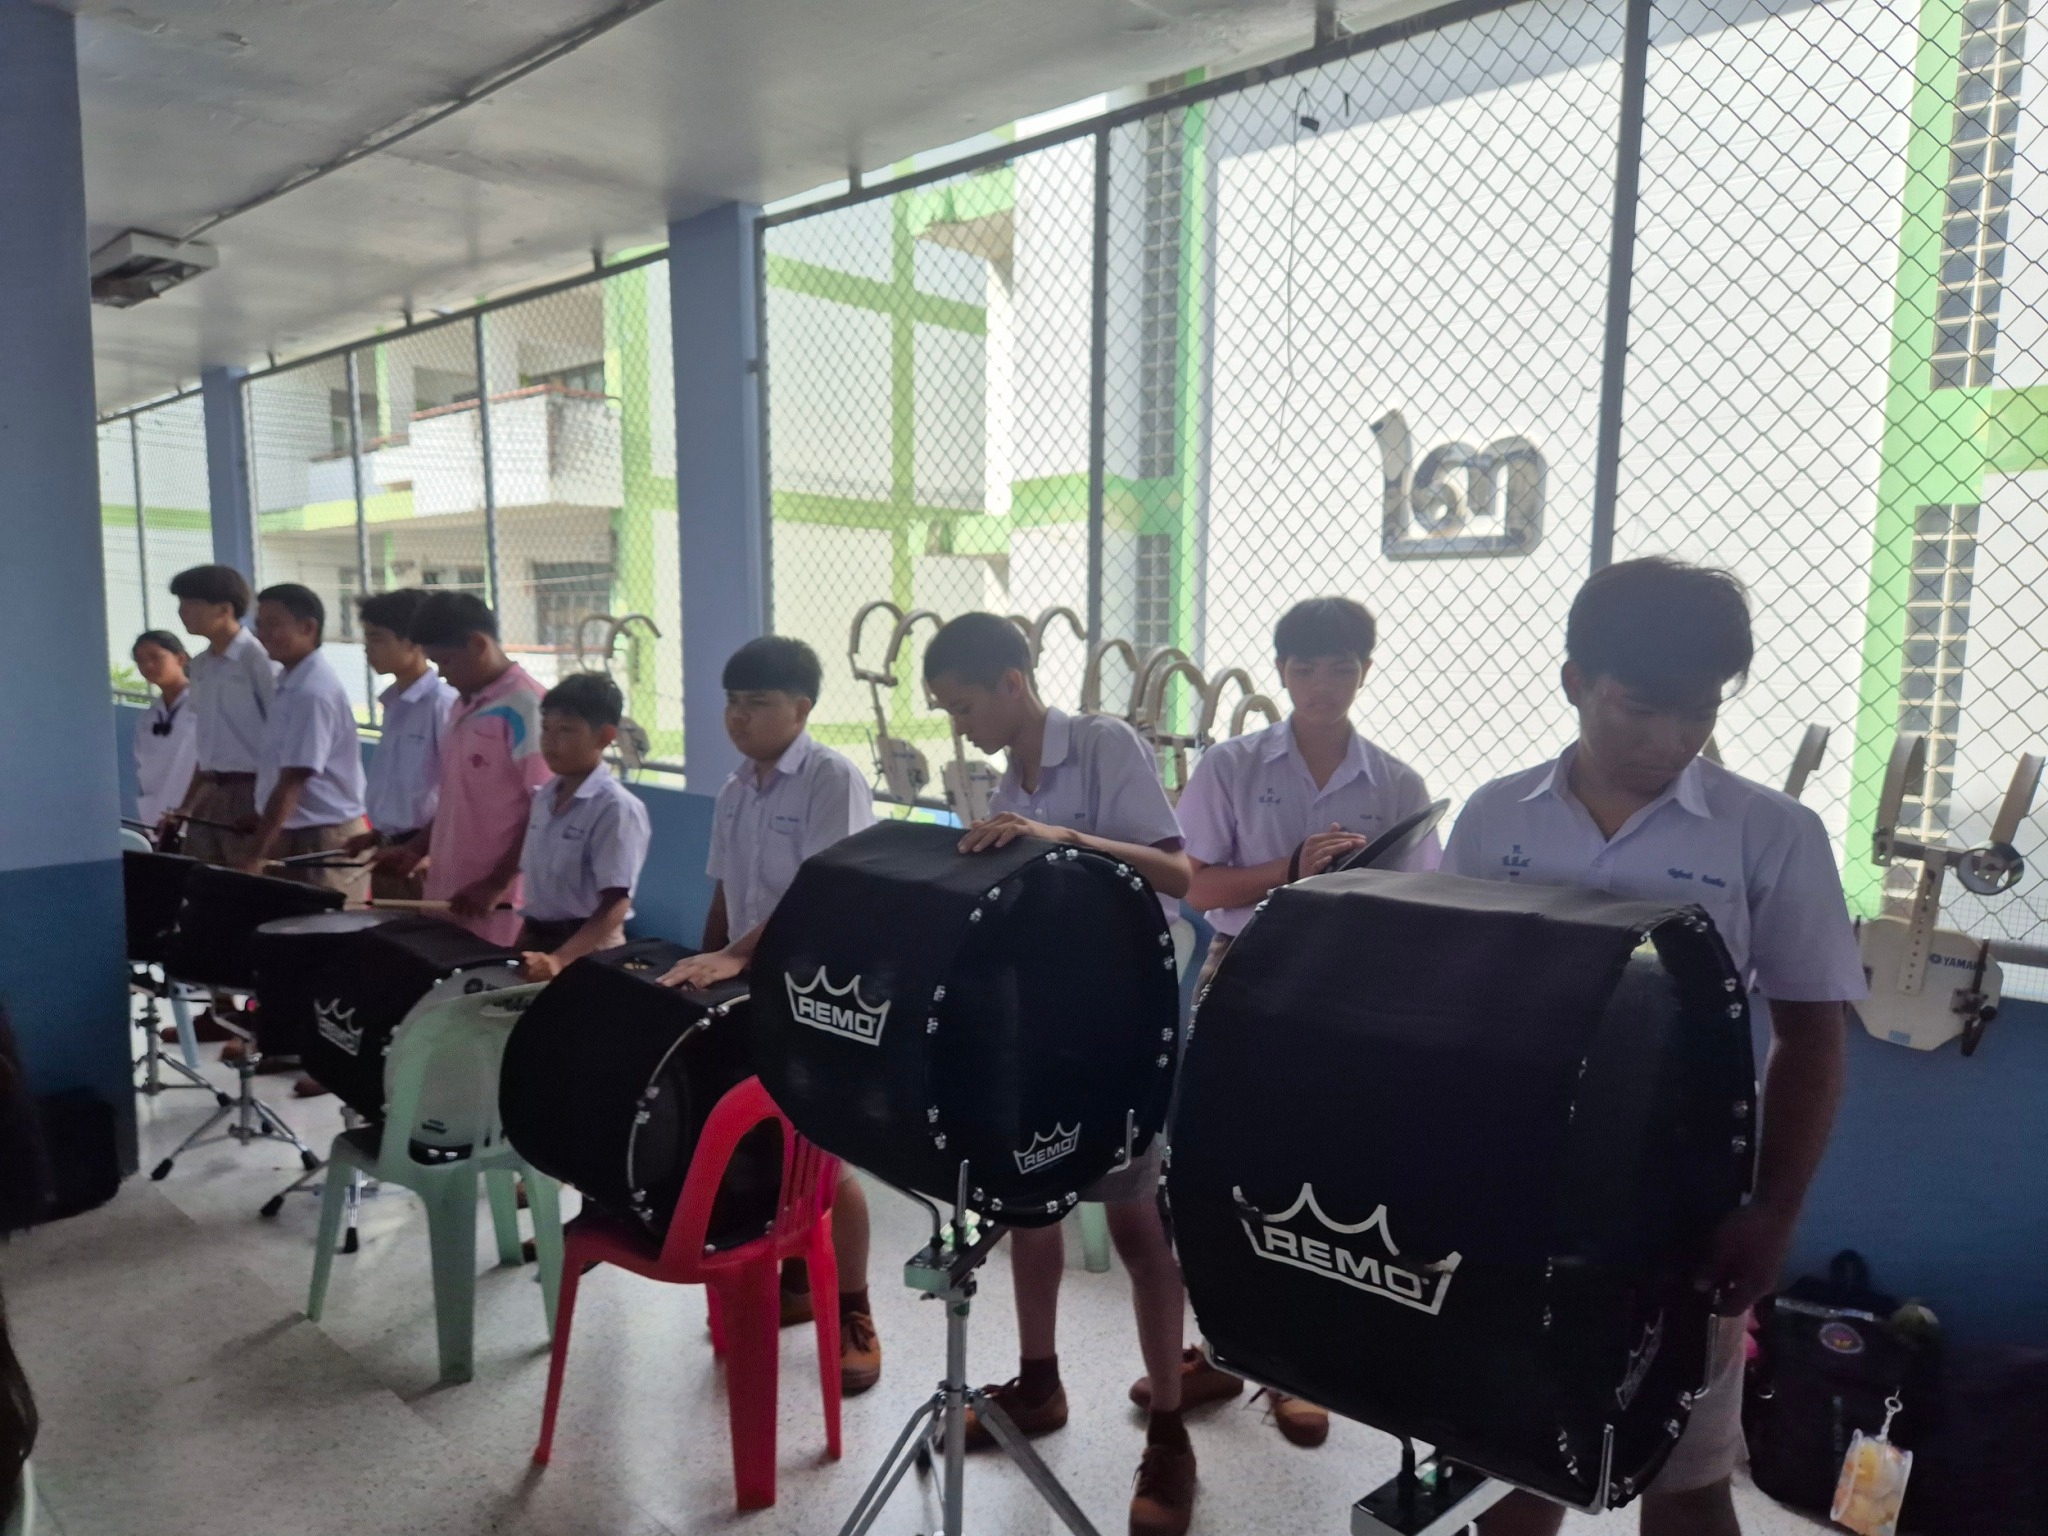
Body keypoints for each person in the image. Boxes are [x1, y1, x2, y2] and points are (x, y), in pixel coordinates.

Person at [1443, 558, 1863, 1536]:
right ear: (1574, 682)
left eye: (1699, 712)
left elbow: (1810, 1039)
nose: (1671, 740)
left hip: (1684, 1205)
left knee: (1684, 1473)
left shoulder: (1770, 833)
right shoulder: (1494, 816)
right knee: (1513, 1452)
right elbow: (1457, 1007)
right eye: (1640, 709)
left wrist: (1771, 1209)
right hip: (1515, 1186)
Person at [923, 611, 1200, 1536]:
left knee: (1135, 1226)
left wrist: (1057, 836)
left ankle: (1170, 1430)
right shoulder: (1009, 778)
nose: (959, 727)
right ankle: (1038, 1385)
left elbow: (1176, 874)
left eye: (964, 706)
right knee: (1028, 1207)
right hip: (1040, 1021)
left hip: (1120, 1024)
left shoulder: (1105, 745)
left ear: (1012, 682)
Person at [1160, 594, 1439, 1450]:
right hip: (1243, 968)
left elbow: (1424, 911)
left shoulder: (1397, 784)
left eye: (1341, 666)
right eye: (1306, 667)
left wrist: (1356, 890)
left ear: (1365, 670)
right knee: (1220, 1164)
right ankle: (1218, 1345)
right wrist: (1289, 869)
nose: (1323, 683)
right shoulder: (1231, 767)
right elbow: (1194, 885)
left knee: (1314, 1174)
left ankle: (1290, 1368)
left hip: (1350, 987)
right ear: (1281, 672)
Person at [656, 636, 884, 1397]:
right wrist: (705, 968)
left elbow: (823, 895)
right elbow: (725, 890)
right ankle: (792, 1283)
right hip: (748, 984)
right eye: (732, 702)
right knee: (757, 1136)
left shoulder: (829, 779)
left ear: (802, 708)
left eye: (757, 703)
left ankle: (854, 1311)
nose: (739, 717)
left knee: (823, 1152)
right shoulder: (734, 790)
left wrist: (734, 957)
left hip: (819, 990)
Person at [370, 592, 548, 948]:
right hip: (449, 890)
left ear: (478, 644)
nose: (442, 673)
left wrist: (495, 883)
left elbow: (545, 809)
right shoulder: (463, 705)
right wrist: (417, 848)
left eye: (446, 661)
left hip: (497, 901)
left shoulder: (527, 707)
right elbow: (456, 798)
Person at [513, 673, 651, 983]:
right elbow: (541, 898)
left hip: (589, 951)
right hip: (539, 941)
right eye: (546, 728)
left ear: (604, 736)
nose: (550, 740)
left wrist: (560, 960)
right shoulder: (544, 798)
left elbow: (616, 901)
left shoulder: (616, 808)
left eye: (565, 730)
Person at [244, 584, 369, 896]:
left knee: (326, 923)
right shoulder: (290, 681)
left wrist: (255, 854)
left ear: (308, 628)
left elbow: (293, 781)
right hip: (294, 831)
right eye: (259, 625)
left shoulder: (312, 692)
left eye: (273, 624)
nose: (262, 634)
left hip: (321, 839)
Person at [343, 588, 457, 902]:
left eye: (377, 638)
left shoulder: (442, 705)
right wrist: (376, 835)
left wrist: (420, 849)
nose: (367, 649)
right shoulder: (394, 704)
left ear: (414, 642)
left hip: (420, 856)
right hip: (389, 850)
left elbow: (454, 792)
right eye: (366, 638)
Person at [166, 564, 278, 871]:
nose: (182, 612)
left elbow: (282, 736)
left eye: (192, 603)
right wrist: (186, 805)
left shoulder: (258, 659)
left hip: (252, 792)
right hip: (211, 791)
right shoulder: (201, 665)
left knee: (247, 883)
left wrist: (266, 806)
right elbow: (206, 744)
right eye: (181, 603)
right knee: (201, 883)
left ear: (224, 610)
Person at [130, 630, 200, 831]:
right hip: (156, 817)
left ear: (180, 658)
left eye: (155, 657)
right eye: (141, 661)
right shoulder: (148, 718)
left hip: (195, 814)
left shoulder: (203, 703)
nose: (148, 666)